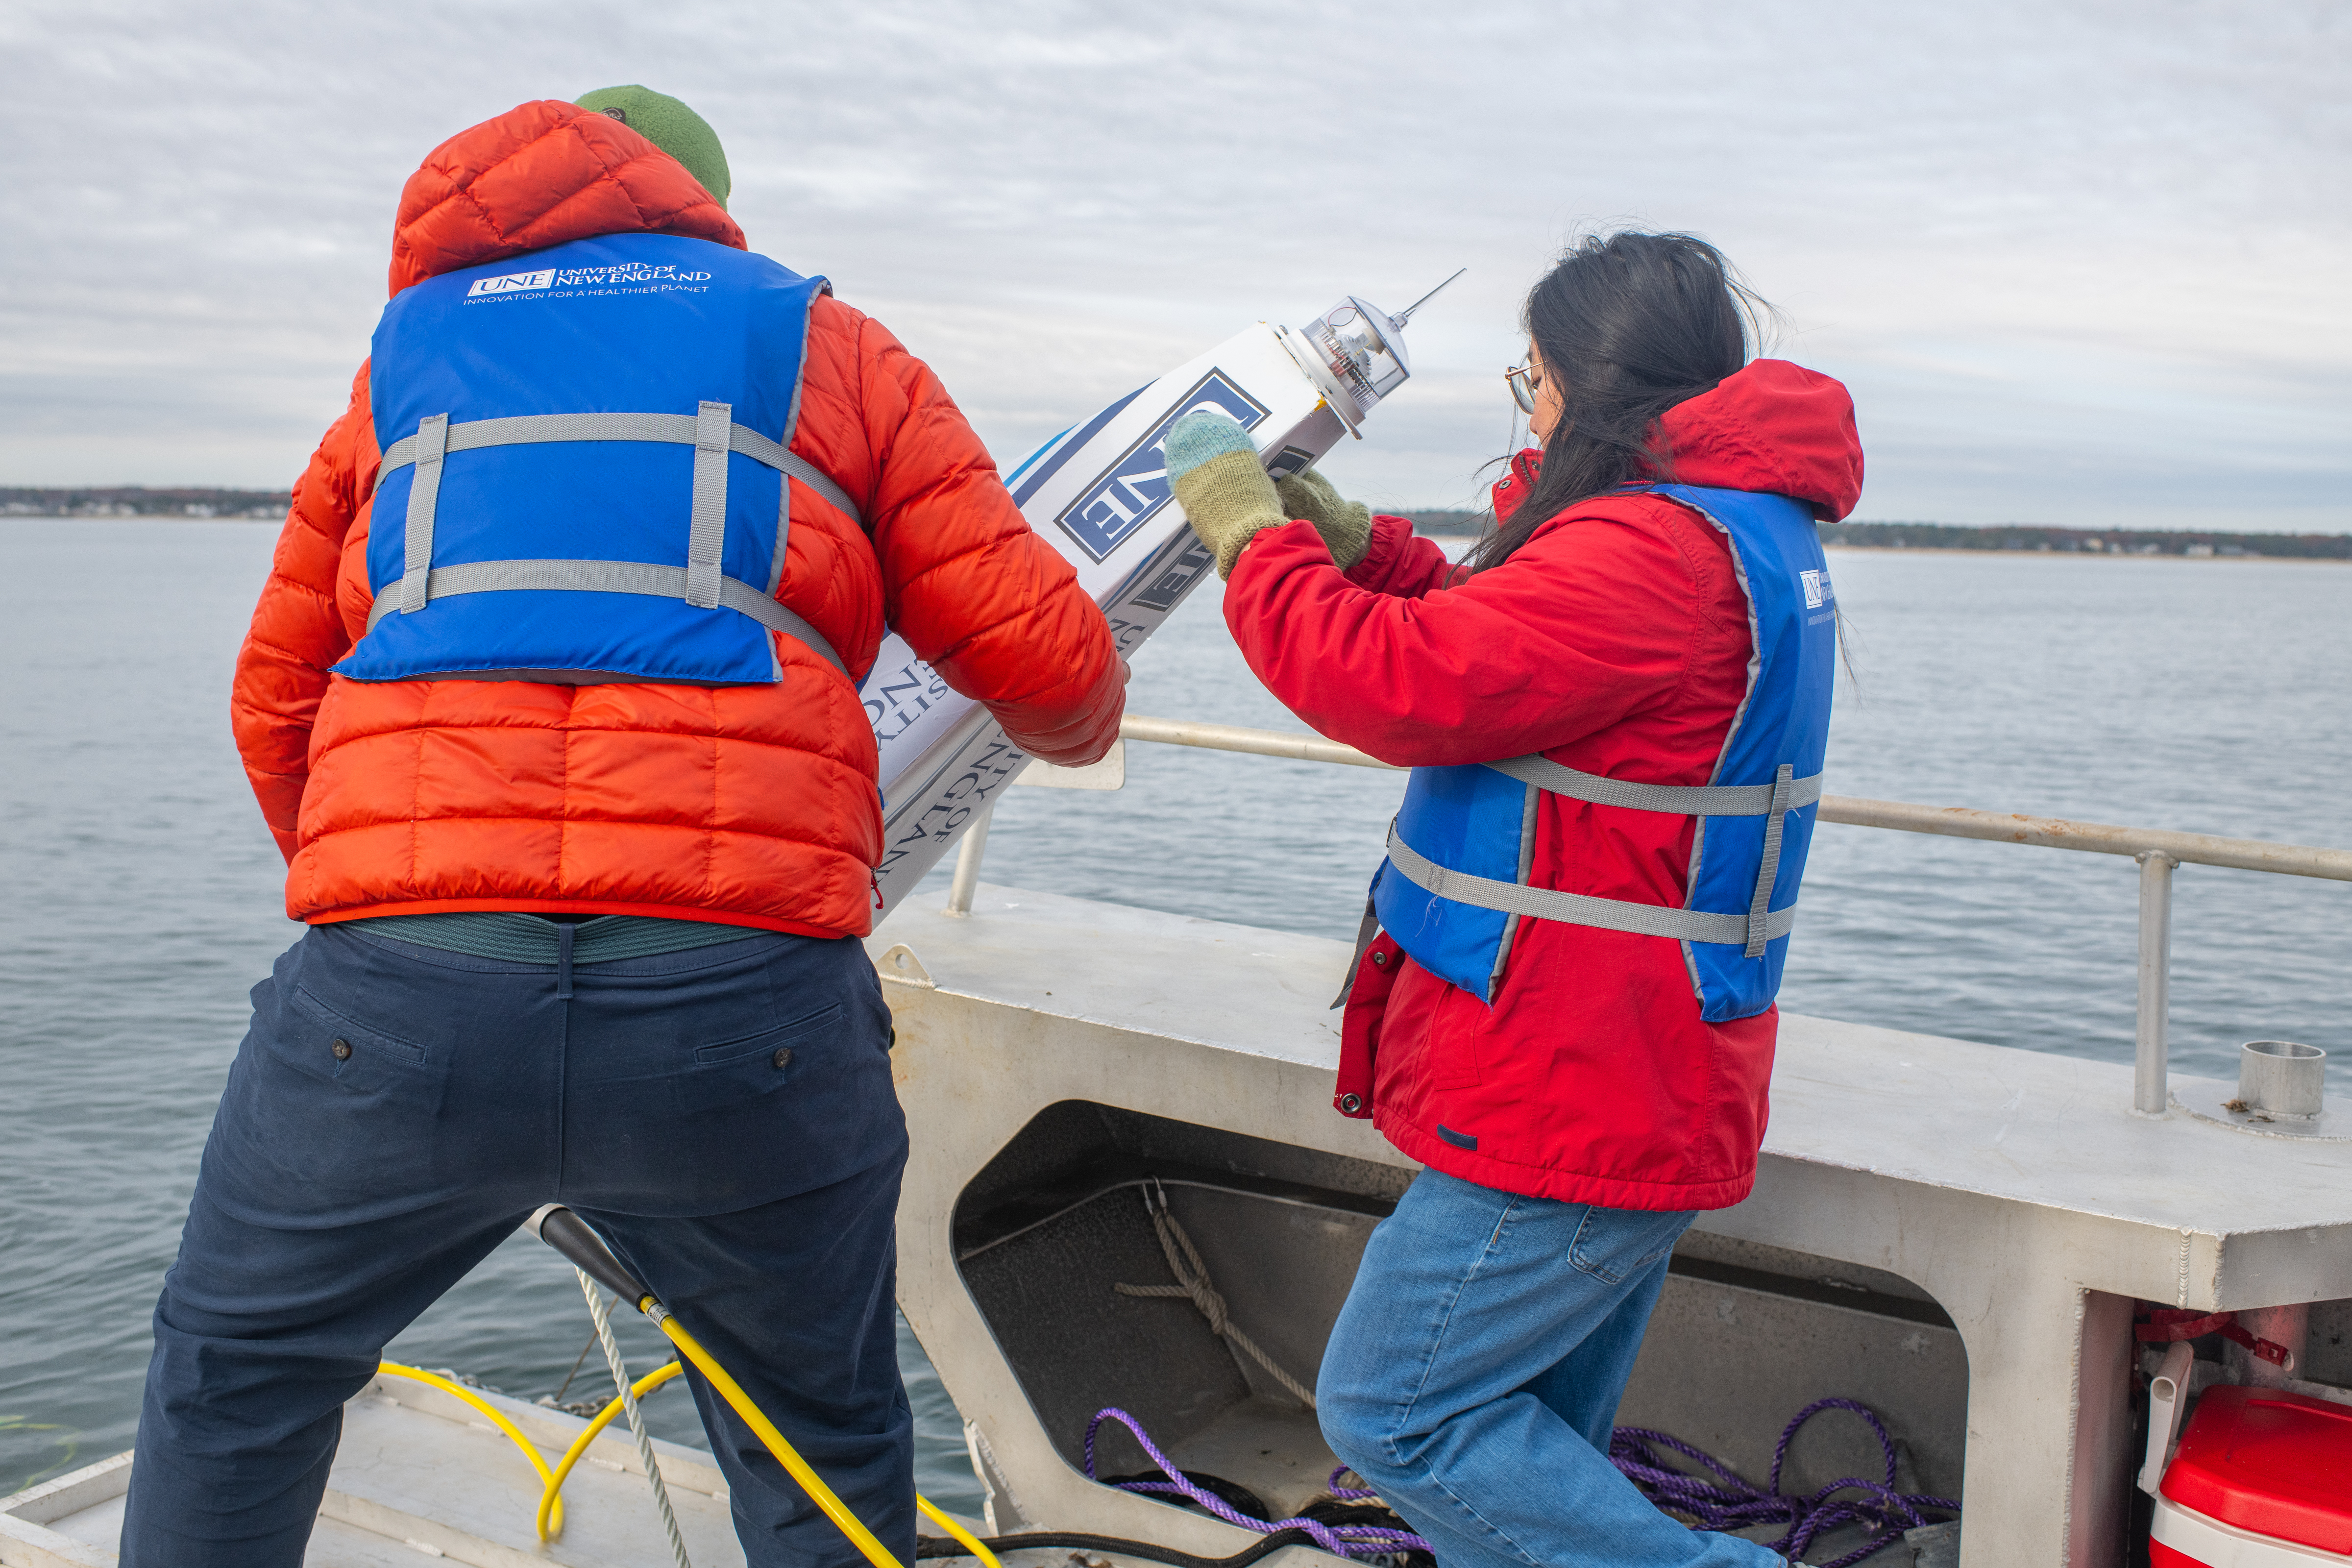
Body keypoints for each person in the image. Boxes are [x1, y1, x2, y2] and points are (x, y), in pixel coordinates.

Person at [122, 90, 1125, 1567]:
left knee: (238, 1384)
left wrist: (407, 899)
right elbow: (1053, 678)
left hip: (399, 996)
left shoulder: (404, 369)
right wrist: (1063, 726)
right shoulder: (827, 346)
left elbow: (274, 705)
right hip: (741, 1009)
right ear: (700, 206)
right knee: (816, 1432)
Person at [1163, 231, 1861, 1568]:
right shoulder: (1712, 530)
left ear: (1585, 387)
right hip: (1619, 1070)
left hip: (1581, 1086)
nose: (1523, 404)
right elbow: (1511, 632)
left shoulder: (1654, 555)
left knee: (1396, 1413)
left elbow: (1402, 684)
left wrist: (1253, 539)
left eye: (1528, 378)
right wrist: (1359, 542)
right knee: (1533, 1441)